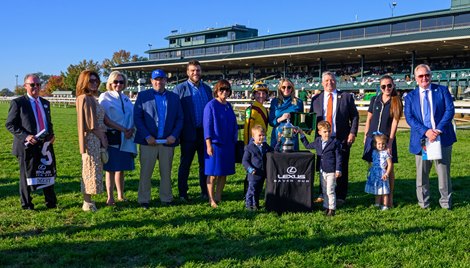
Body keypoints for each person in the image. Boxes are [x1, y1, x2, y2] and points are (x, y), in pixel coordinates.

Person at [404, 64, 456, 210]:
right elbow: (409, 117)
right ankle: (424, 203)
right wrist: (426, 131)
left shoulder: (442, 90)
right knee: (422, 175)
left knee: (443, 173)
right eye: (421, 76)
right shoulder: (410, 97)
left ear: (431, 76)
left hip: (442, 137)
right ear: (415, 78)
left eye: (427, 75)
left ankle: (445, 203)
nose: (424, 78)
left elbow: (449, 110)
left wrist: (437, 129)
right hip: (422, 139)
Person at [76, 70, 128, 212]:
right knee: (89, 169)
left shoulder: (94, 98)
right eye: (91, 81)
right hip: (91, 138)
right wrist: (103, 138)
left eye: (96, 80)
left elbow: (106, 120)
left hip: (97, 138)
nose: (94, 83)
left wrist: (123, 129)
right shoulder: (84, 98)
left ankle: (90, 200)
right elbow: (90, 124)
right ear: (84, 82)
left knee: (95, 169)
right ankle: (87, 202)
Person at [5, 74, 57, 210]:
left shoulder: (46, 103)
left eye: (38, 84)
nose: (36, 87)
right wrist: (26, 136)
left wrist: (52, 135)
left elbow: (48, 123)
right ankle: (27, 204)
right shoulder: (18, 103)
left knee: (46, 172)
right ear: (25, 86)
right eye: (32, 85)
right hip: (26, 146)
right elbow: (10, 124)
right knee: (25, 175)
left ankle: (51, 202)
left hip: (44, 145)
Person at [133, 69, 184, 209]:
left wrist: (174, 135)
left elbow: (180, 119)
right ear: (151, 81)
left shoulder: (174, 97)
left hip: (167, 141)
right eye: (156, 79)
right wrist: (147, 136)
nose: (158, 82)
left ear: (165, 81)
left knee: (166, 172)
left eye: (161, 79)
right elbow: (137, 118)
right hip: (148, 141)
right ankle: (144, 199)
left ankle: (166, 198)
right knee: (145, 172)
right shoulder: (143, 96)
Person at [310, 71, 359, 205]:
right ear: (322, 83)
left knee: (341, 166)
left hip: (341, 138)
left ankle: (341, 195)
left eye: (331, 80)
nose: (329, 83)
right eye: (326, 81)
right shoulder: (316, 99)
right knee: (323, 166)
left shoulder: (346, 97)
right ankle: (322, 192)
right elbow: (311, 118)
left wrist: (353, 132)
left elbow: (354, 116)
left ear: (335, 81)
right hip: (322, 140)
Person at [173, 60, 213, 201]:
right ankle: (183, 193)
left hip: (204, 134)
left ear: (201, 71)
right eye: (192, 70)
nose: (195, 73)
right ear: (187, 72)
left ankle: (204, 191)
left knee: (204, 164)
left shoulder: (207, 89)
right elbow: (175, 112)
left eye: (198, 70)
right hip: (187, 133)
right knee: (185, 164)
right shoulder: (179, 89)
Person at [363, 75, 403, 207]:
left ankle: (389, 199)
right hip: (373, 139)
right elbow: (369, 119)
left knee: (388, 168)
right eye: (383, 86)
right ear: (380, 87)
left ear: (393, 85)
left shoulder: (396, 101)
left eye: (389, 85)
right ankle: (377, 196)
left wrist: (390, 142)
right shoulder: (374, 100)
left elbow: (395, 123)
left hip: (386, 140)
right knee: (374, 166)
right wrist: (365, 136)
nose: (387, 88)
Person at [98, 71, 136, 206]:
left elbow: (132, 115)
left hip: (126, 137)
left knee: (121, 168)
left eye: (121, 82)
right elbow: (105, 118)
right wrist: (123, 129)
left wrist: (130, 129)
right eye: (116, 82)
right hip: (113, 135)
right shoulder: (105, 97)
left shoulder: (125, 98)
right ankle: (110, 197)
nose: (118, 84)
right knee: (111, 169)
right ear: (110, 83)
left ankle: (121, 195)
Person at [203, 79, 238, 208]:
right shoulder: (211, 105)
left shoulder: (228, 106)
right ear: (216, 91)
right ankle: (211, 199)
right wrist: (208, 144)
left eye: (227, 90)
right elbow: (207, 126)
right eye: (221, 89)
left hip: (228, 144)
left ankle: (218, 196)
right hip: (215, 144)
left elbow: (233, 124)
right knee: (212, 173)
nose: (224, 92)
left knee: (223, 172)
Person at [298, 121, 342, 216]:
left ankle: (332, 208)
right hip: (322, 169)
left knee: (330, 190)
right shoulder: (318, 141)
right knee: (324, 189)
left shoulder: (334, 142)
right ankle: (326, 206)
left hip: (331, 170)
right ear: (319, 132)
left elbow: (338, 157)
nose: (327, 134)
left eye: (329, 131)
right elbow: (307, 145)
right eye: (325, 132)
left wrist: (338, 169)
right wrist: (301, 134)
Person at [242, 125, 274, 211]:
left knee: (258, 190)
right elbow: (245, 161)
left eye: (263, 135)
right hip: (253, 174)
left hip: (262, 173)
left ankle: (256, 204)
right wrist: (250, 169)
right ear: (253, 137)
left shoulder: (265, 146)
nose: (262, 137)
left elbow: (273, 150)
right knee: (252, 190)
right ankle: (249, 205)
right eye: (259, 135)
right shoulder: (249, 148)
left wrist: (278, 141)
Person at [268, 78, 304, 150]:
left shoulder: (299, 102)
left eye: (289, 87)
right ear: (280, 88)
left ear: (292, 89)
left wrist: (297, 127)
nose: (286, 89)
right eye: (283, 87)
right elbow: (271, 122)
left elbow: (301, 121)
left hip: (292, 136)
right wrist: (281, 118)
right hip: (278, 135)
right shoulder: (274, 101)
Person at [364, 134, 392, 211]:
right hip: (374, 173)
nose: (381, 145)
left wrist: (387, 173)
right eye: (379, 144)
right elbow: (371, 161)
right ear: (375, 144)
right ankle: (377, 203)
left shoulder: (386, 153)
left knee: (384, 190)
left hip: (382, 174)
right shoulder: (373, 152)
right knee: (377, 189)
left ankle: (385, 205)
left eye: (383, 144)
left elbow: (389, 164)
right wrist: (370, 168)